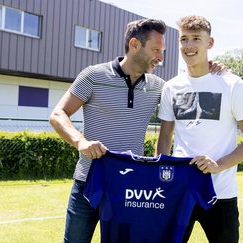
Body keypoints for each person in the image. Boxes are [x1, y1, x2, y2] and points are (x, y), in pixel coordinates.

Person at [50, 18, 226, 243]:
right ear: (134, 45)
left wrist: (211, 69)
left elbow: (188, 91)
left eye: (162, 51)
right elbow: (58, 114)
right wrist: (80, 142)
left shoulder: (158, 87)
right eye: (155, 50)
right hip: (87, 181)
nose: (160, 57)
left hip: (129, 189)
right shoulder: (93, 76)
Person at [155, 15, 243, 243]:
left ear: (209, 43)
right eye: (184, 39)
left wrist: (218, 165)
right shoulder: (171, 87)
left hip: (220, 194)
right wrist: (161, 175)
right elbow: (165, 137)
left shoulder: (233, 84)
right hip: (179, 193)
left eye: (196, 38)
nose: (189, 45)